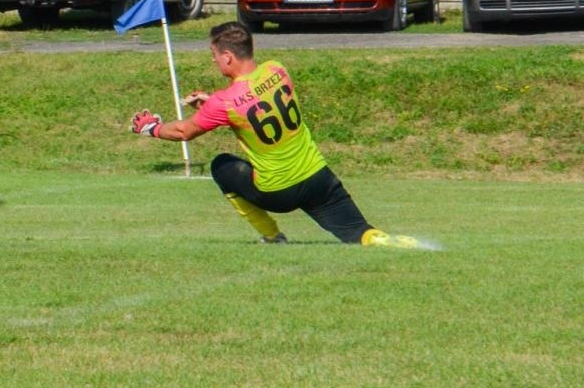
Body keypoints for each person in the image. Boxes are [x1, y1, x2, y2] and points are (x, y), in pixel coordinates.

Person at [129, 21, 419, 247]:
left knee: (221, 166)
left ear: (228, 56)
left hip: (279, 191)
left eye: (214, 56)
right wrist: (211, 104)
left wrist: (151, 127)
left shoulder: (224, 101)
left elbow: (183, 132)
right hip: (318, 176)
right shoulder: (277, 70)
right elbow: (257, 104)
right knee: (360, 233)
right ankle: (385, 240)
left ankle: (272, 236)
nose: (214, 61)